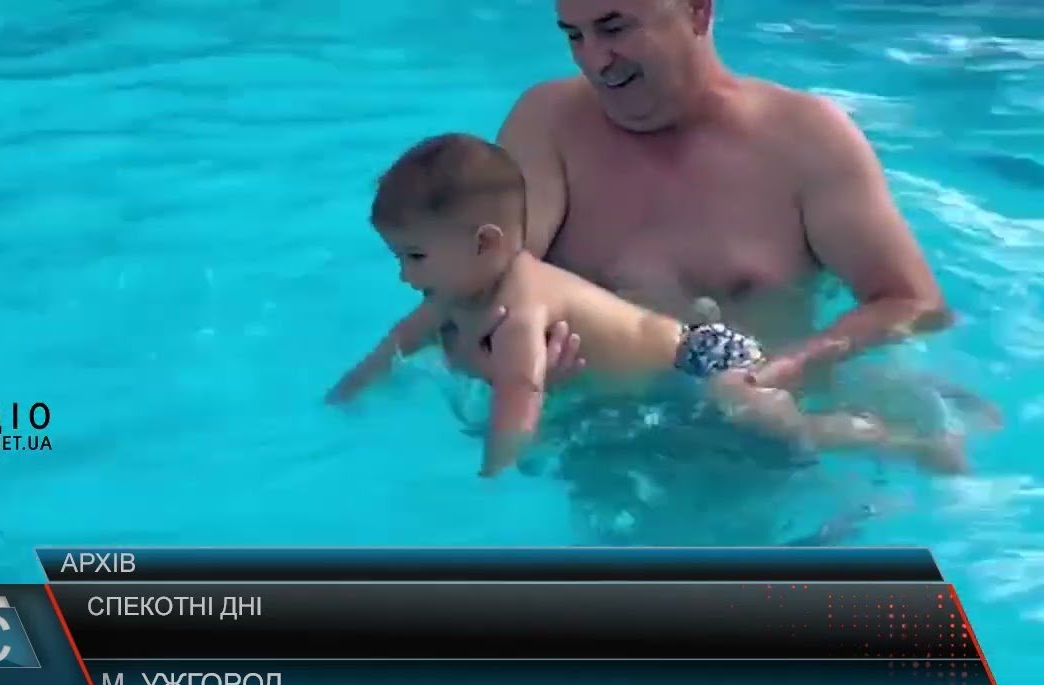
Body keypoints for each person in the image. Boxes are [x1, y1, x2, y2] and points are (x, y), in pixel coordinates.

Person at [363, 0, 953, 395]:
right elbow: (478, 281)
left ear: (697, 10)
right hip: (594, 444)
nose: (594, 60)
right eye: (574, 35)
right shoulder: (548, 124)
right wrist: (474, 362)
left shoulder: (805, 140)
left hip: (758, 441)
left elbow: (913, 303)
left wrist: (794, 366)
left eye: (615, 28)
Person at [328, 132, 964, 478]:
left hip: (704, 359)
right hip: (668, 364)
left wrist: (492, 477)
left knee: (775, 424)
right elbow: (399, 341)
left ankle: (904, 442)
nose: (405, 275)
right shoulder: (458, 290)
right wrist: (348, 392)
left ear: (485, 243)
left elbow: (518, 405)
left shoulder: (521, 308)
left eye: (414, 257)